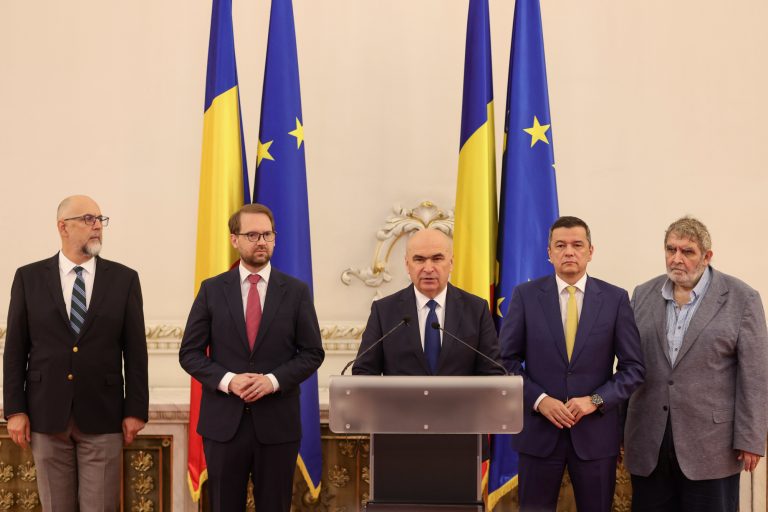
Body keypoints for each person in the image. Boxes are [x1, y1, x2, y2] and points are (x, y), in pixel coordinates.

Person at [3, 195, 149, 512]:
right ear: (63, 227)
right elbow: (15, 349)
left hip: (104, 415)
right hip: (46, 415)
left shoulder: (124, 279)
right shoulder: (28, 278)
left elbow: (136, 352)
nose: (97, 226)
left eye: (100, 219)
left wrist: (136, 409)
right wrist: (14, 409)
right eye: (87, 219)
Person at [179, 203, 324, 512]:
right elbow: (189, 353)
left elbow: (313, 353)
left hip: (277, 425)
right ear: (235, 239)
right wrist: (228, 380)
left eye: (268, 235)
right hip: (224, 426)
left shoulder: (296, 291)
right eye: (253, 235)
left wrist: (273, 381)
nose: (262, 242)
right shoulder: (212, 290)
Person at [499, 215, 644, 512]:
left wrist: (595, 400)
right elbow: (504, 362)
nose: (569, 252)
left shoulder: (615, 299)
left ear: (591, 251)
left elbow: (633, 369)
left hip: (595, 437)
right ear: (549, 253)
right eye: (560, 245)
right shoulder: (525, 296)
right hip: (539, 435)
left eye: (577, 245)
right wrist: (539, 400)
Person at [624, 216, 768, 512]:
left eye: (687, 251)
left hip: (712, 447)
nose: (676, 258)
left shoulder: (742, 298)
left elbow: (755, 375)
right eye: (671, 249)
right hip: (649, 443)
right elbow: (627, 365)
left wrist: (751, 438)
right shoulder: (642, 294)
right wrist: (616, 431)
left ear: (706, 256)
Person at [352, 228, 502, 376]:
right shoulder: (383, 311)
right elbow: (363, 373)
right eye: (419, 259)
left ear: (451, 263)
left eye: (437, 259)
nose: (428, 268)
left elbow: (493, 374)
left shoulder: (476, 310)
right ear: (407, 264)